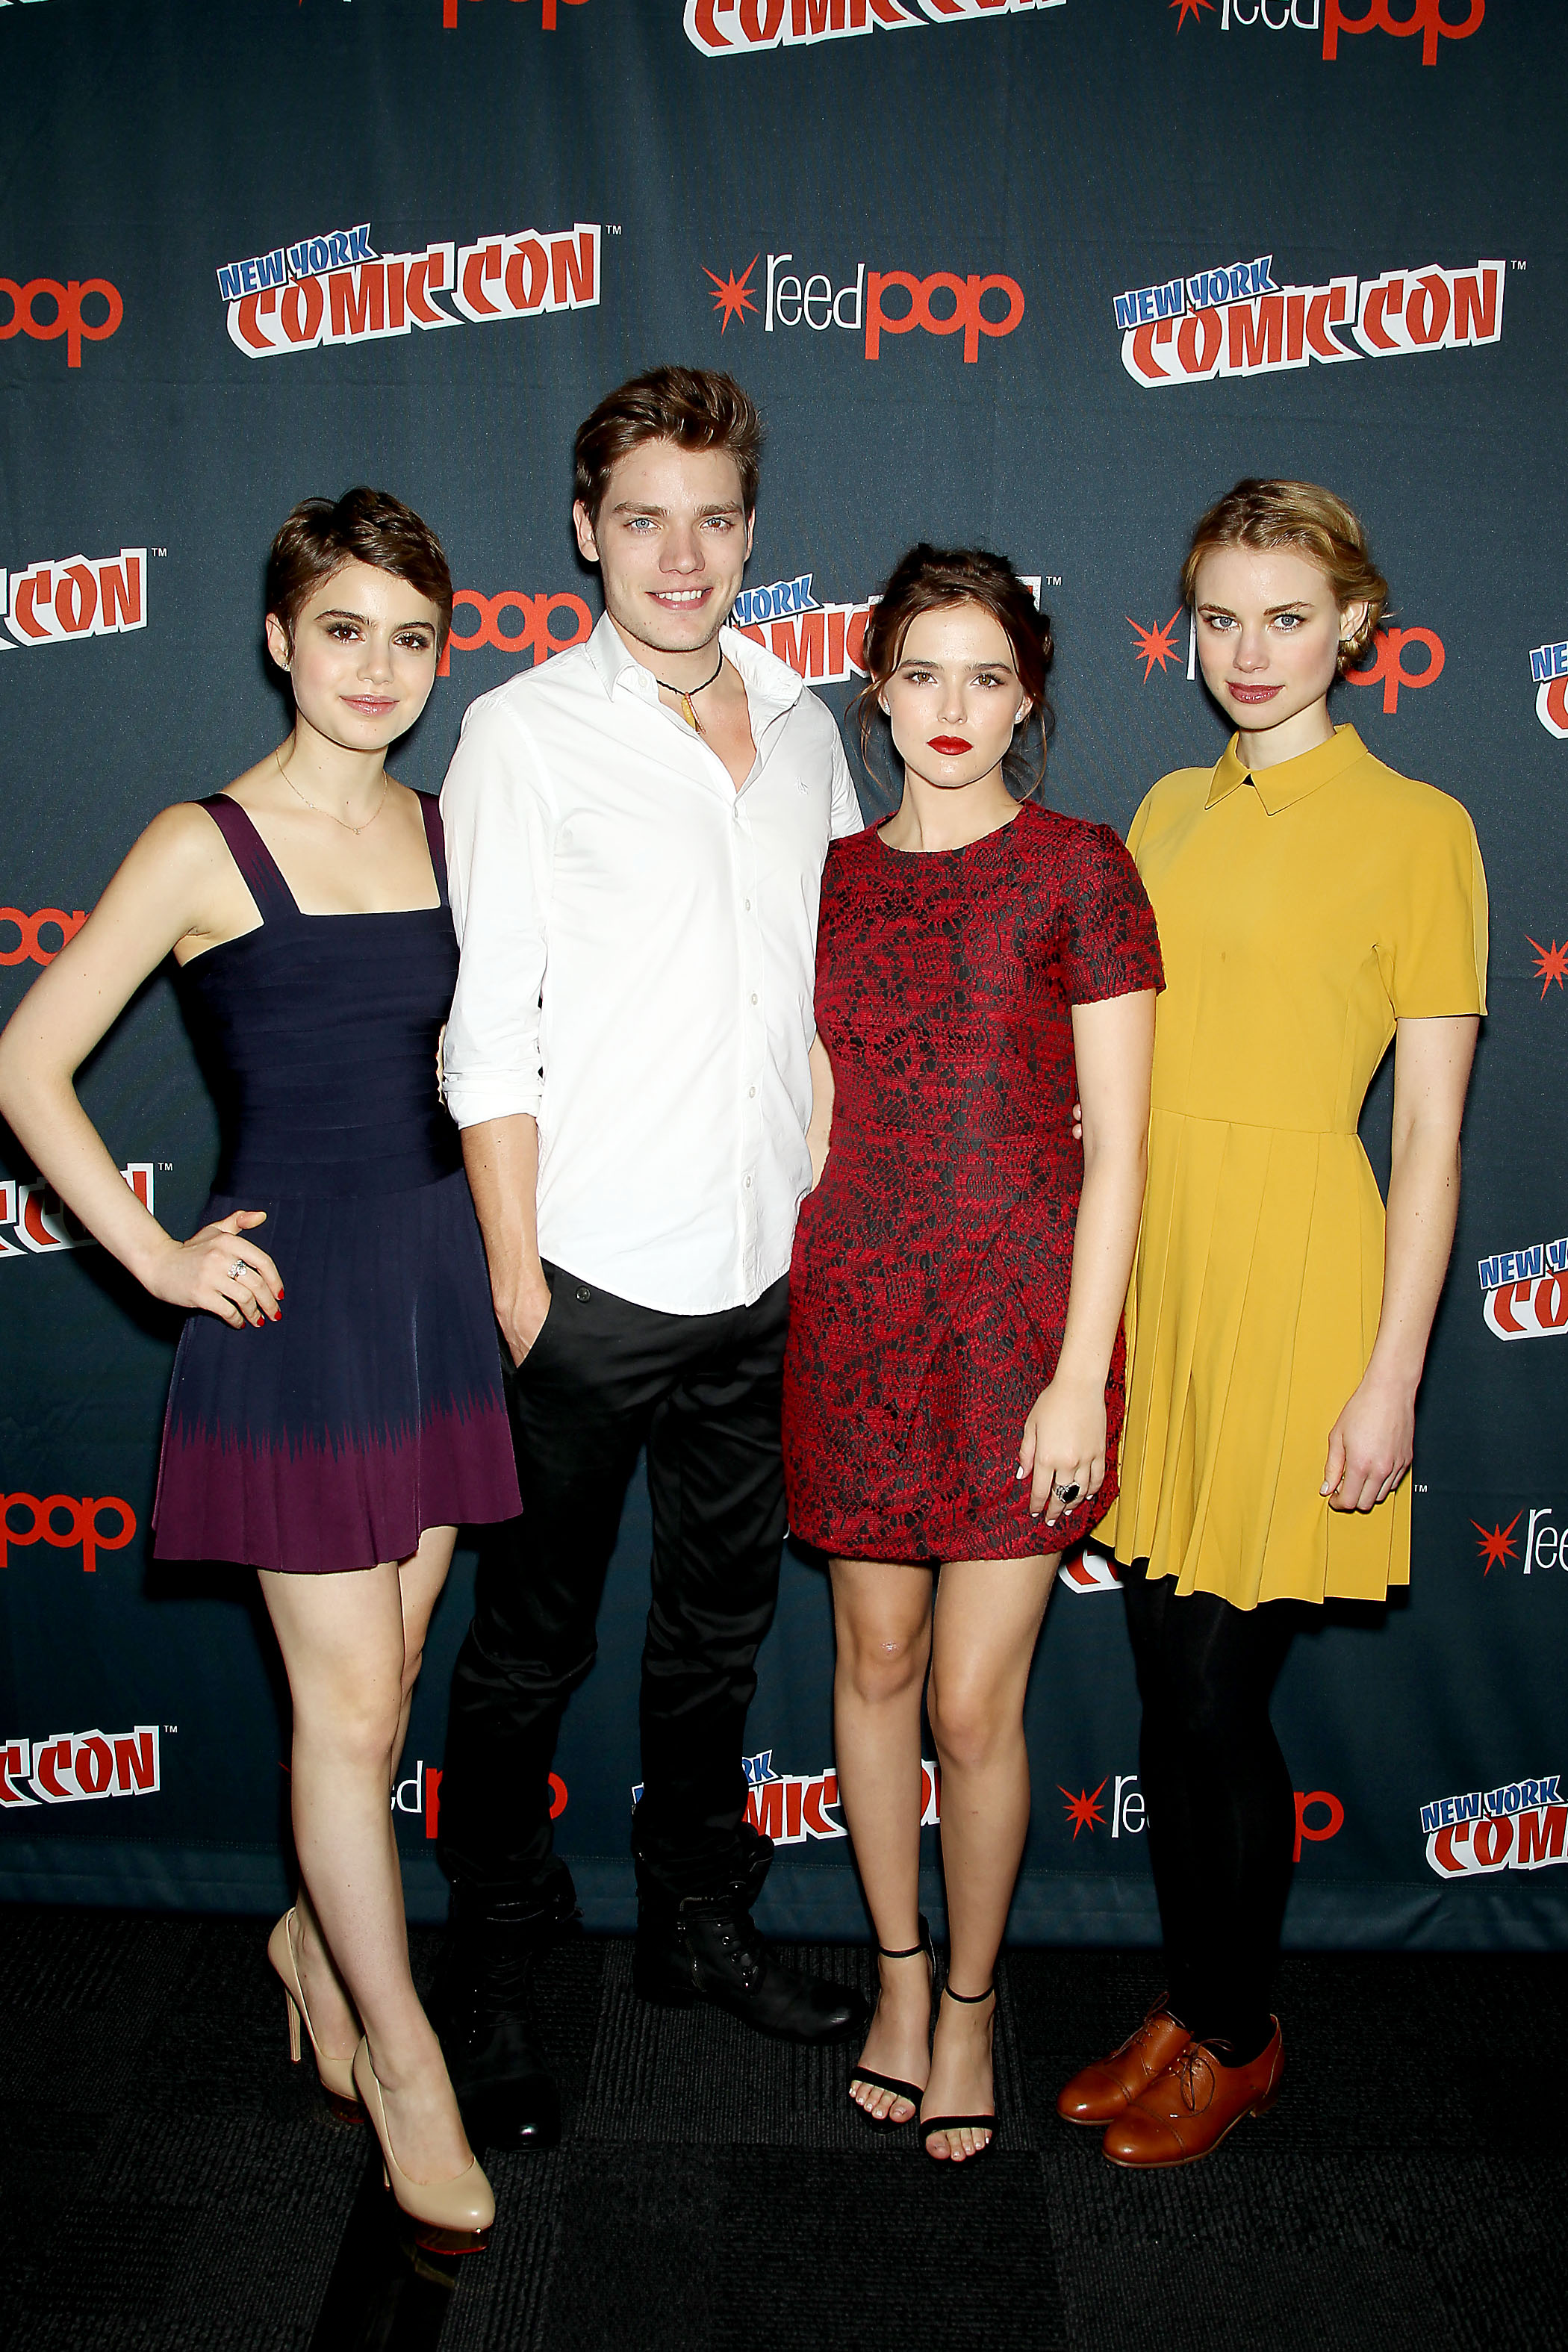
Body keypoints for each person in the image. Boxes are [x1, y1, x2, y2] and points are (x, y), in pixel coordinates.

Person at [0, 489, 519, 2256]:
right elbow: (29, 1064)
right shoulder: (199, 843)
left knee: (395, 1677)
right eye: (345, 630)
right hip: (293, 1321)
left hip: (436, 1299)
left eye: (414, 637)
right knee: (352, 1714)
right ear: (280, 638)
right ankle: (404, 2061)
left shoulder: (457, 828)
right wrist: (155, 1258)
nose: (380, 668)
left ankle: (310, 1937)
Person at [432, 366, 868, 2151]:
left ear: (751, 533)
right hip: (588, 1281)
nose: (678, 555)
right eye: (641, 519)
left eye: (711, 519)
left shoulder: (810, 724)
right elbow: (487, 1031)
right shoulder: (524, 734)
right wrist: (518, 1282)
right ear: (585, 531)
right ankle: (490, 1973)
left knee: (716, 1633)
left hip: (765, 1277)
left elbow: (827, 996)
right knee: (524, 1652)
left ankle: (696, 1917)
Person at [1059, 479, 1487, 2168]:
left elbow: (1433, 1136)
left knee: (1215, 1695)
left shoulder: (1421, 828)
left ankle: (1238, 2040)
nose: (1249, 651)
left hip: (1302, 1276)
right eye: (1222, 617)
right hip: (1162, 1272)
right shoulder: (1165, 808)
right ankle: (1194, 2001)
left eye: (1289, 617)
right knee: (1170, 1691)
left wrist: (1393, 1377)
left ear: (1355, 626)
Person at [782, 546, 1163, 2163]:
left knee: (970, 1699)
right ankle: (894, 1974)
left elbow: (1122, 1150)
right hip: (855, 1314)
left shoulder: (1083, 870)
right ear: (876, 690)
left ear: (1029, 698)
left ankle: (968, 2004)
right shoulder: (825, 875)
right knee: (872, 1668)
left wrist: (1081, 1372)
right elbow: (809, 1110)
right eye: (921, 672)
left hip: (1019, 1334)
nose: (952, 707)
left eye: (987, 676)